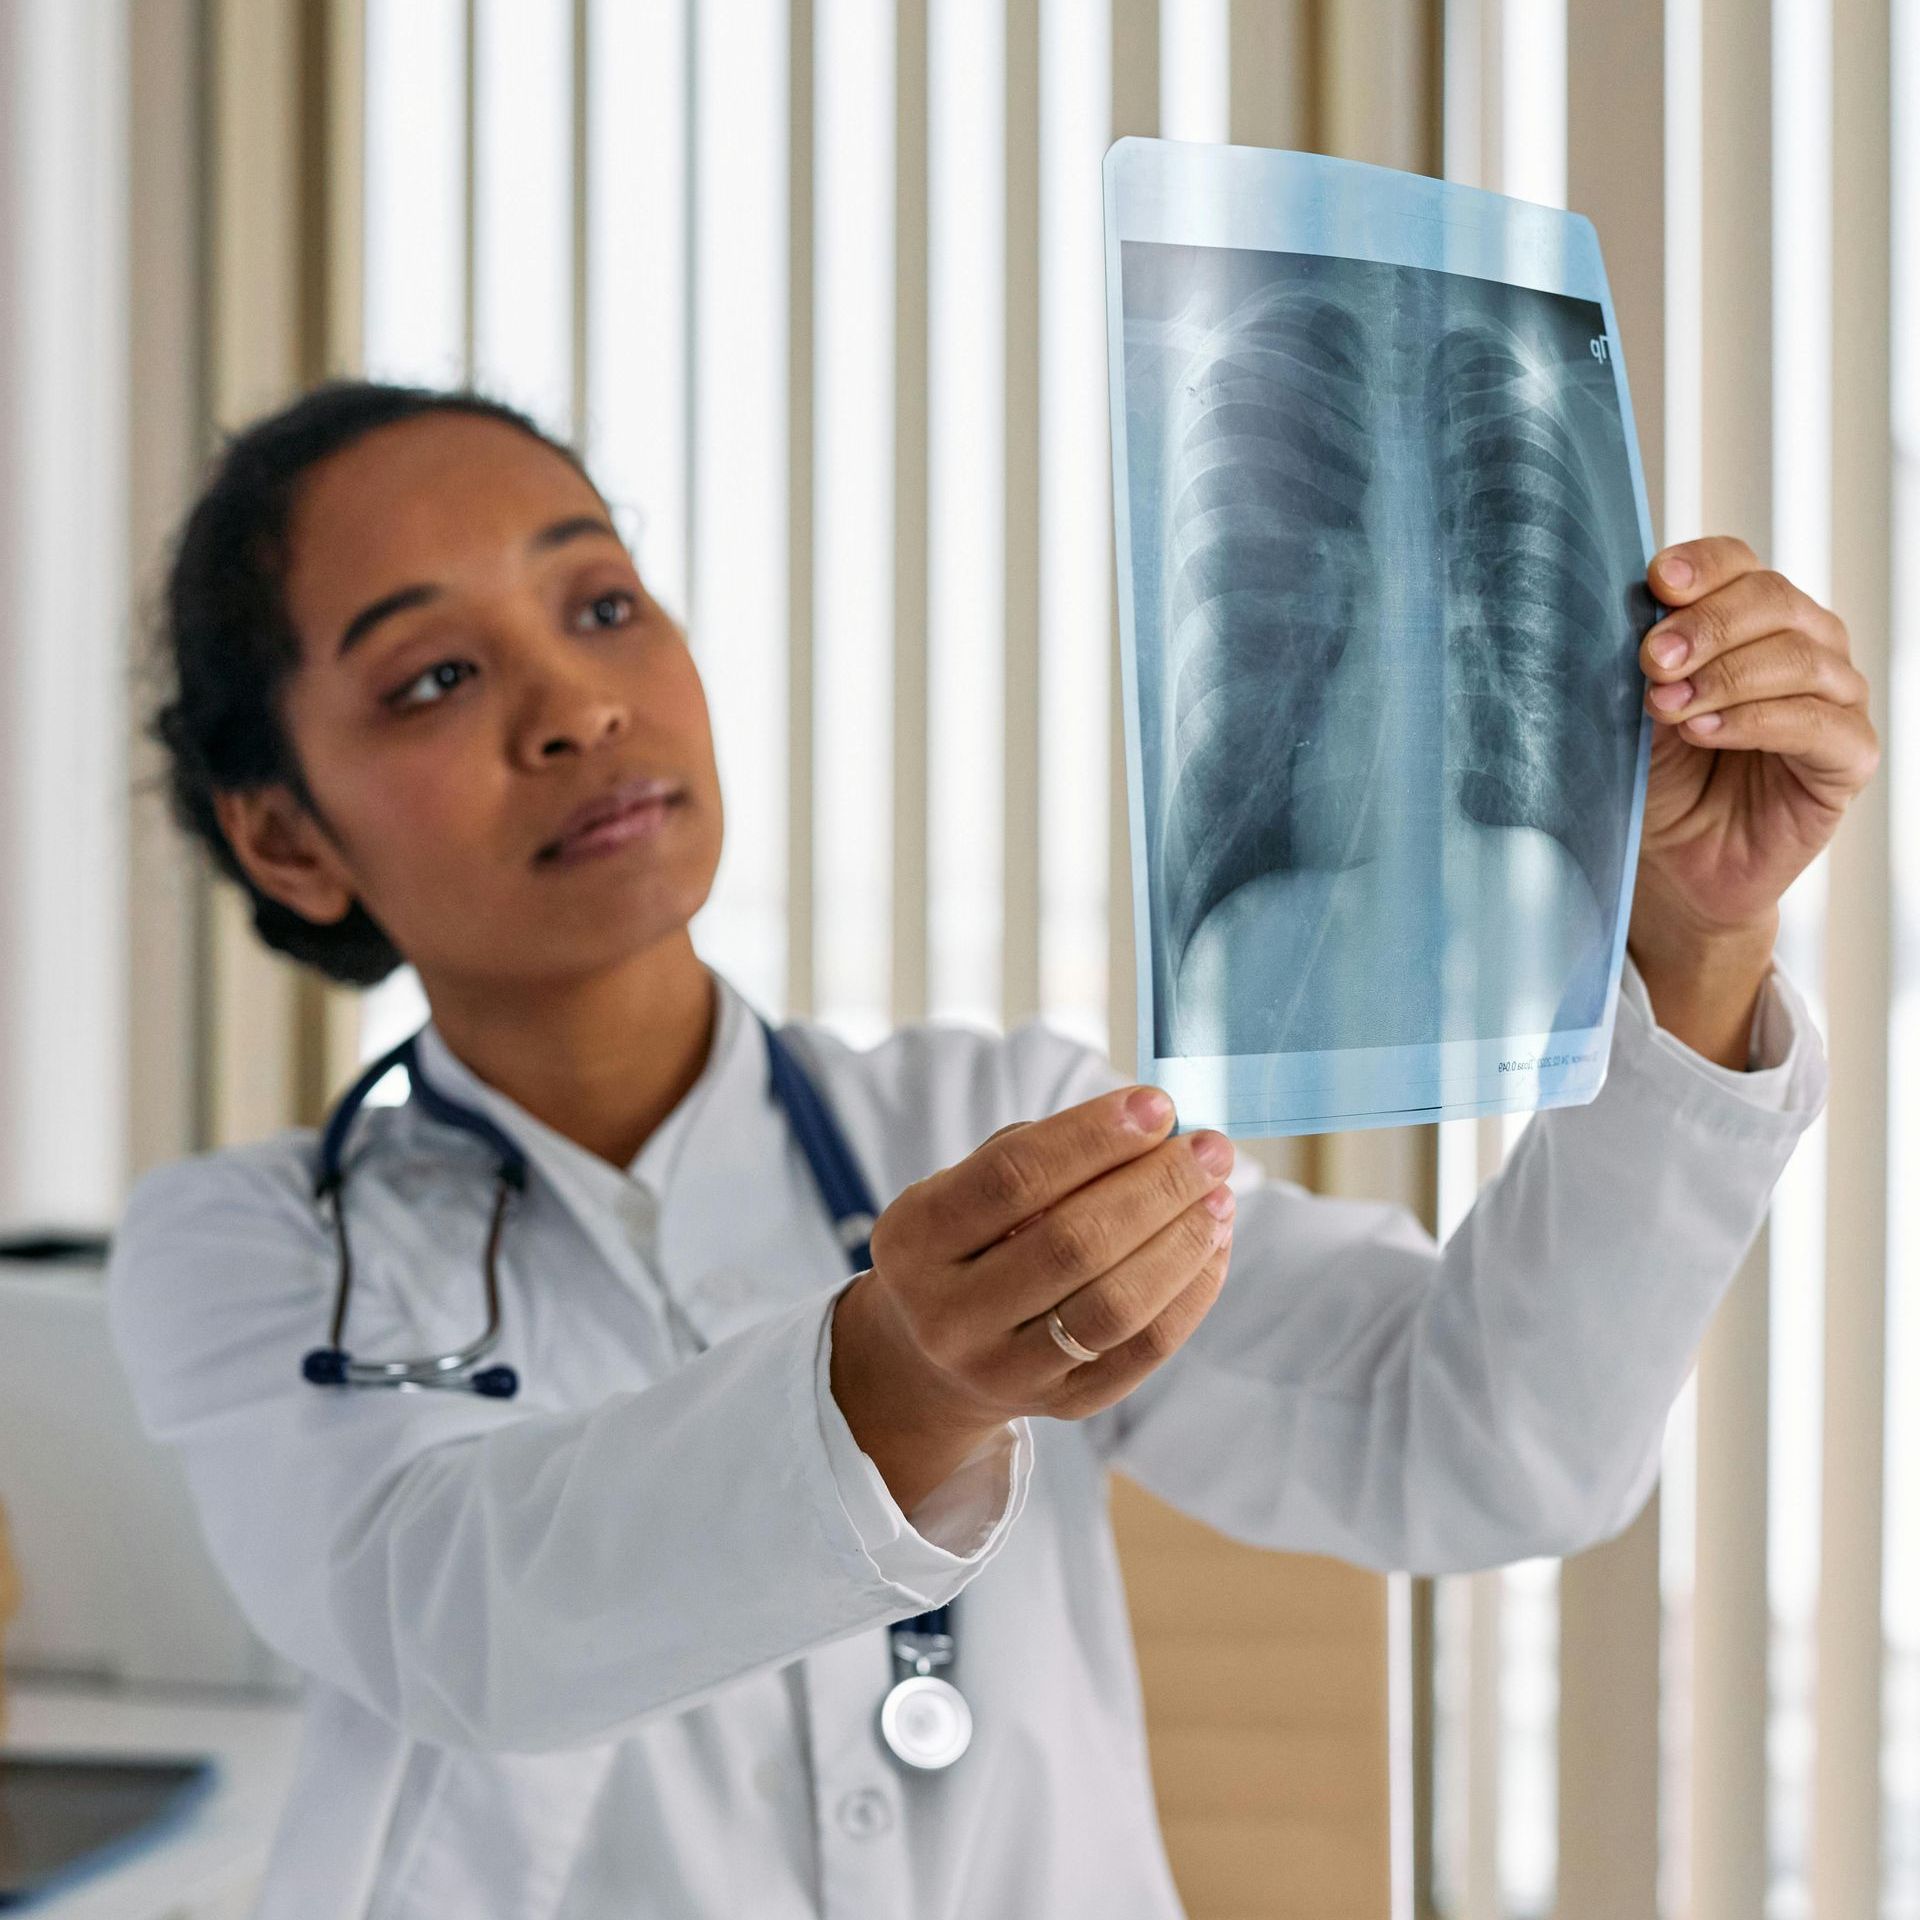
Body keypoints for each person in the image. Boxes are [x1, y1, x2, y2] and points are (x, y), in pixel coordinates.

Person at [107, 379, 1865, 1920]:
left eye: (605, 601)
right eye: (431, 674)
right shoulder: (255, 1252)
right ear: (285, 838)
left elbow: (1479, 1447)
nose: (576, 707)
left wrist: (1698, 950)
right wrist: (900, 1378)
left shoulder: (986, 1123)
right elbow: (456, 1621)